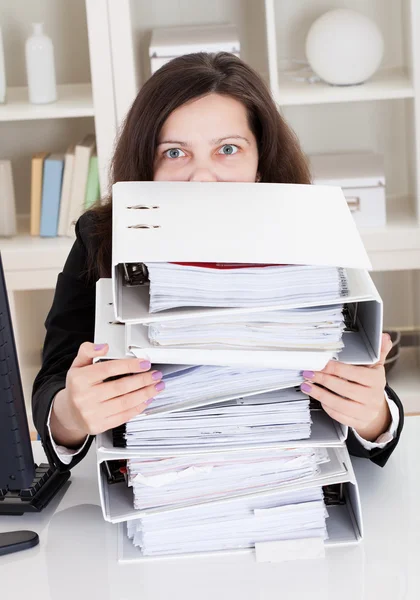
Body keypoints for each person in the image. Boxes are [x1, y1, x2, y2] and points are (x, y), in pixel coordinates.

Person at [32, 52, 404, 470]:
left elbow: (371, 405)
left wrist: (373, 414)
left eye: (228, 149)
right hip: (157, 481)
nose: (202, 178)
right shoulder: (100, 236)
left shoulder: (315, 234)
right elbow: (55, 379)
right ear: (146, 164)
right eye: (175, 153)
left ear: (261, 162)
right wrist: (69, 416)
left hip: (288, 479)